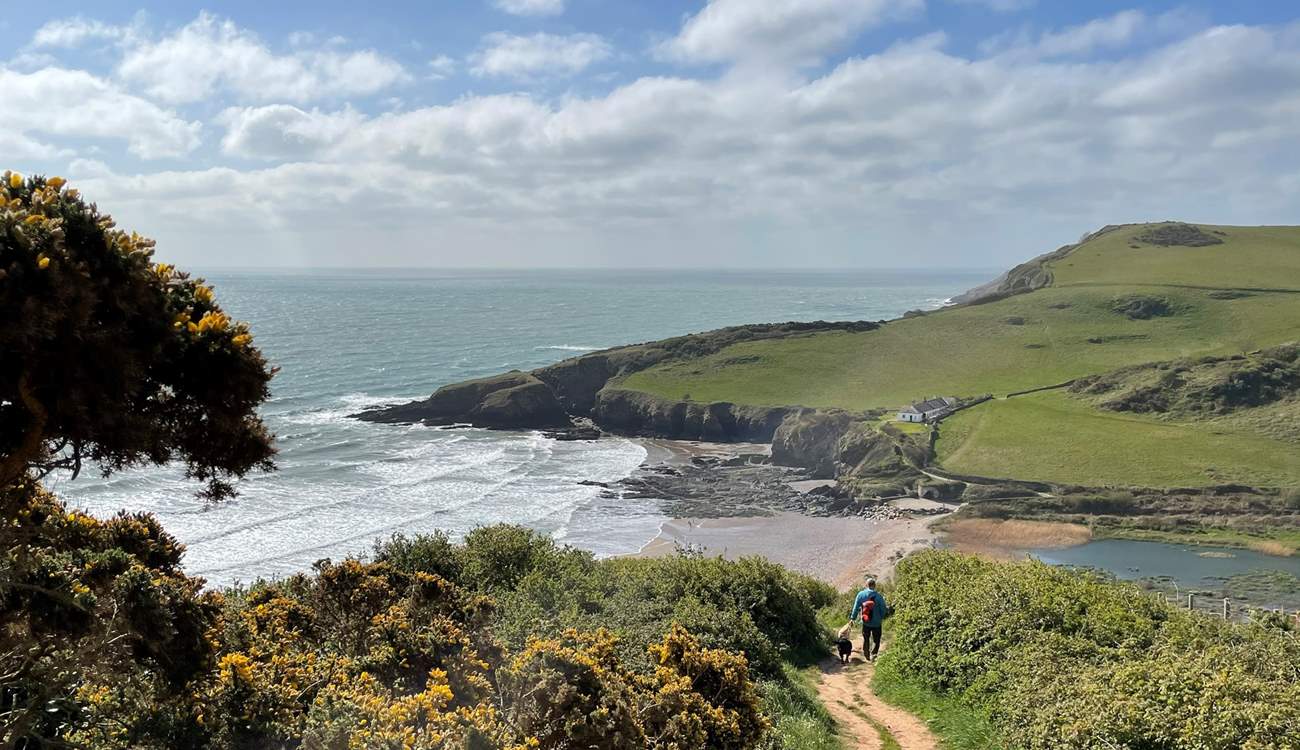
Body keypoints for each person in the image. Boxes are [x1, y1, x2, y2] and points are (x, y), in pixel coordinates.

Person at [849, 577, 888, 661]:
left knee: (866, 638)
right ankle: (873, 655)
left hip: (866, 622)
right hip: (877, 622)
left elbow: (855, 607)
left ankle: (866, 654)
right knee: (876, 639)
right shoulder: (878, 596)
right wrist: (881, 617)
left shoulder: (861, 594)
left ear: (866, 585)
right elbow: (883, 609)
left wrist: (853, 618)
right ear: (874, 585)